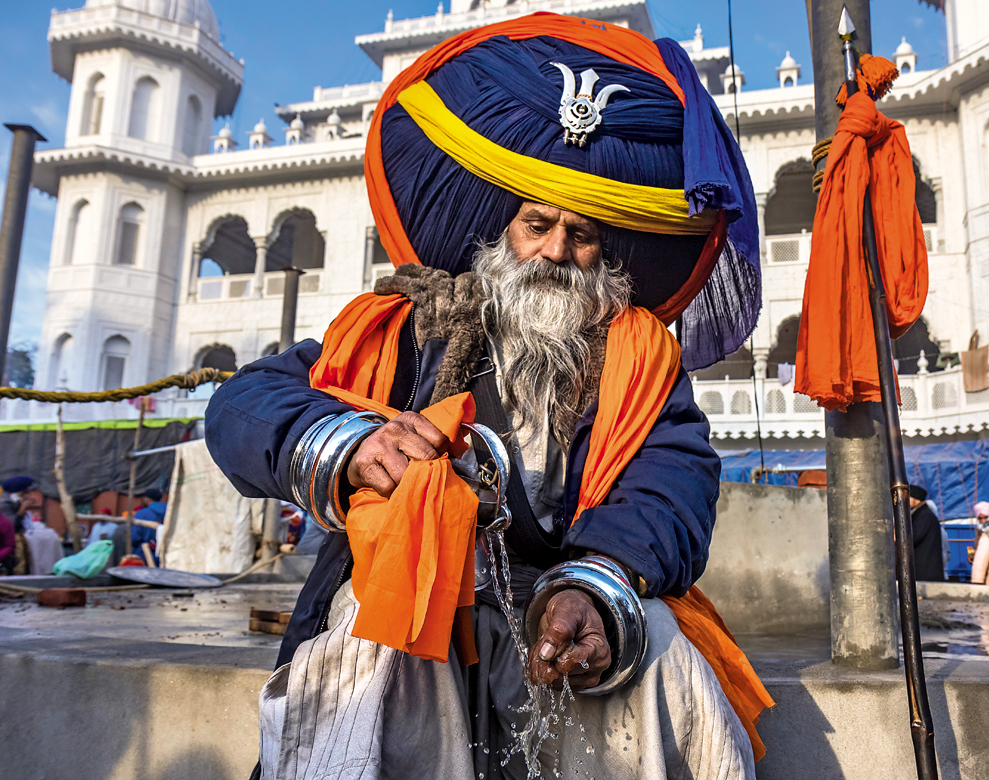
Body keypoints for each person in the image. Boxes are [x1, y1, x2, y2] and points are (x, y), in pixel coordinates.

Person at [205, 17, 771, 780]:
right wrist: (352, 445)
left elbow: (673, 483)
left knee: (664, 653)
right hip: (415, 596)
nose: (556, 253)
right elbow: (245, 403)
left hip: (564, 604)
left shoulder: (639, 358)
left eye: (582, 235)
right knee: (366, 640)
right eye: (538, 224)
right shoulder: (411, 329)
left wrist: (599, 587)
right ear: (504, 234)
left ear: (605, 255)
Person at [907, 485, 945, 581]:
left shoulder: (924, 516)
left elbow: (913, 537)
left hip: (926, 571)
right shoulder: (920, 514)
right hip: (923, 568)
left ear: (917, 500)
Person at [131, 489, 167, 563]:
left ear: (146, 499)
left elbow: (134, 537)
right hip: (167, 556)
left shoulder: (141, 514)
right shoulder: (171, 512)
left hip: (144, 556)